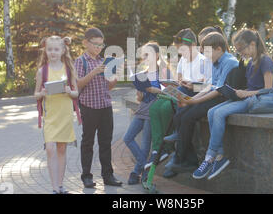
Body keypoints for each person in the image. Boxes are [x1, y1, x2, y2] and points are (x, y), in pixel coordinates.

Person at [189, 29, 273, 180]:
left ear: (253, 44)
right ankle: (219, 156)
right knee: (211, 112)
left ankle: (210, 156)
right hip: (245, 96)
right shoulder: (250, 63)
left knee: (220, 113)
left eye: (242, 50)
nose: (241, 54)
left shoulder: (265, 61)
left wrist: (246, 93)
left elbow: (269, 89)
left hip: (256, 100)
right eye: (238, 50)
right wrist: (236, 91)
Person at [166, 29, 240, 176]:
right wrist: (192, 100)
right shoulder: (214, 61)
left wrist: (195, 100)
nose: (205, 57)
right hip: (212, 95)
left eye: (207, 53)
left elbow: (218, 91)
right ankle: (183, 158)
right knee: (180, 116)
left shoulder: (230, 62)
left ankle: (181, 159)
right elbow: (209, 86)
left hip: (222, 99)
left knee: (187, 117)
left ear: (218, 49)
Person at [145, 28, 211, 171]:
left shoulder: (203, 61)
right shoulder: (183, 61)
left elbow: (208, 87)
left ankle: (169, 148)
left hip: (194, 95)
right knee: (155, 107)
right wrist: (180, 83)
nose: (180, 53)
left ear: (193, 45)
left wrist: (193, 85)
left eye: (182, 49)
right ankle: (158, 148)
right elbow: (179, 80)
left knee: (166, 107)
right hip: (182, 91)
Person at [74, 27, 121, 188]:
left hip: (105, 106)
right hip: (89, 106)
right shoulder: (81, 61)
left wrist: (115, 77)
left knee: (106, 142)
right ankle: (86, 176)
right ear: (85, 43)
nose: (99, 48)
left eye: (101, 45)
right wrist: (94, 72)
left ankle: (108, 175)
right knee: (87, 142)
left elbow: (108, 86)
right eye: (95, 44)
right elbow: (78, 84)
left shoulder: (104, 61)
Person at [34, 36, 79, 194]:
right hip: (51, 117)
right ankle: (54, 188)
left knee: (61, 150)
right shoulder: (42, 71)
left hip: (65, 115)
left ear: (63, 50)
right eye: (50, 49)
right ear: (45, 51)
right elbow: (36, 95)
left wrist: (70, 91)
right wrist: (42, 93)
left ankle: (60, 186)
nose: (53, 52)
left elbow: (76, 93)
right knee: (50, 149)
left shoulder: (68, 68)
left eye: (56, 49)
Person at [124, 42, 169, 185]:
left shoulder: (164, 73)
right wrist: (141, 93)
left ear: (156, 55)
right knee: (127, 138)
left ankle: (137, 172)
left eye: (147, 54)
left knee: (145, 146)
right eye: (144, 54)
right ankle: (144, 167)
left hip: (153, 112)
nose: (145, 57)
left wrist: (152, 89)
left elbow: (167, 92)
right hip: (141, 110)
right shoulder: (142, 74)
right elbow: (140, 97)